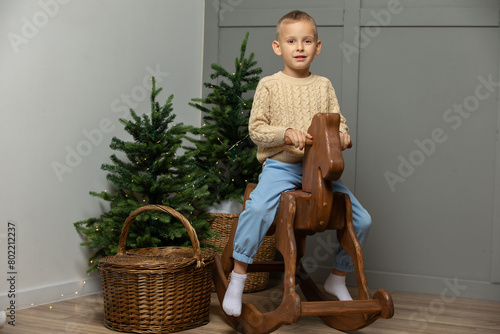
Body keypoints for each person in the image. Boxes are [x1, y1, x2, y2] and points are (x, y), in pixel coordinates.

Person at [222, 10, 372, 317]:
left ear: (318, 47)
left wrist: (343, 136)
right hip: (281, 166)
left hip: (319, 172)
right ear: (279, 47)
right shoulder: (269, 85)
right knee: (259, 208)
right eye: (291, 41)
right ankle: (238, 277)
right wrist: (286, 134)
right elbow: (256, 130)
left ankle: (338, 277)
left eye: (307, 41)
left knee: (362, 219)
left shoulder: (324, 85)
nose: (299, 47)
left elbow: (337, 120)